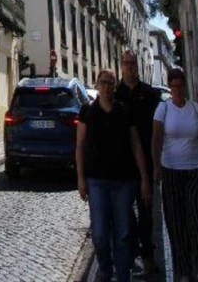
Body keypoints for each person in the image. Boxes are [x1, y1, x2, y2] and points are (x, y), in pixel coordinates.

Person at [77, 68, 151, 282]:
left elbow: (136, 146)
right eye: (103, 82)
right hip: (96, 182)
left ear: (115, 86)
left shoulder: (124, 111)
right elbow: (79, 146)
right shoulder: (87, 113)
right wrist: (81, 178)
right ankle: (105, 267)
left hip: (123, 182)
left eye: (110, 83)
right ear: (97, 85)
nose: (107, 87)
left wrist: (144, 178)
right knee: (99, 234)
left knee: (123, 233)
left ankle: (122, 274)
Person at [152, 68, 198, 282]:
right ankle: (183, 271)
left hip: (194, 172)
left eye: (181, 85)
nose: (177, 90)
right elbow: (156, 139)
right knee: (176, 224)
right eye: (174, 86)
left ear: (185, 86)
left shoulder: (196, 109)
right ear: (170, 87)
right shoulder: (163, 109)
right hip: (171, 172)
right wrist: (157, 166)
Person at [116, 50, 161, 276]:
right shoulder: (115, 95)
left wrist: (158, 164)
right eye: (126, 63)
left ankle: (149, 257)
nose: (130, 67)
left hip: (148, 163)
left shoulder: (150, 94)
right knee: (125, 215)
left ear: (138, 66)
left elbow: (158, 130)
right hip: (123, 166)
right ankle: (132, 255)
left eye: (133, 63)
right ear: (121, 66)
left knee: (146, 215)